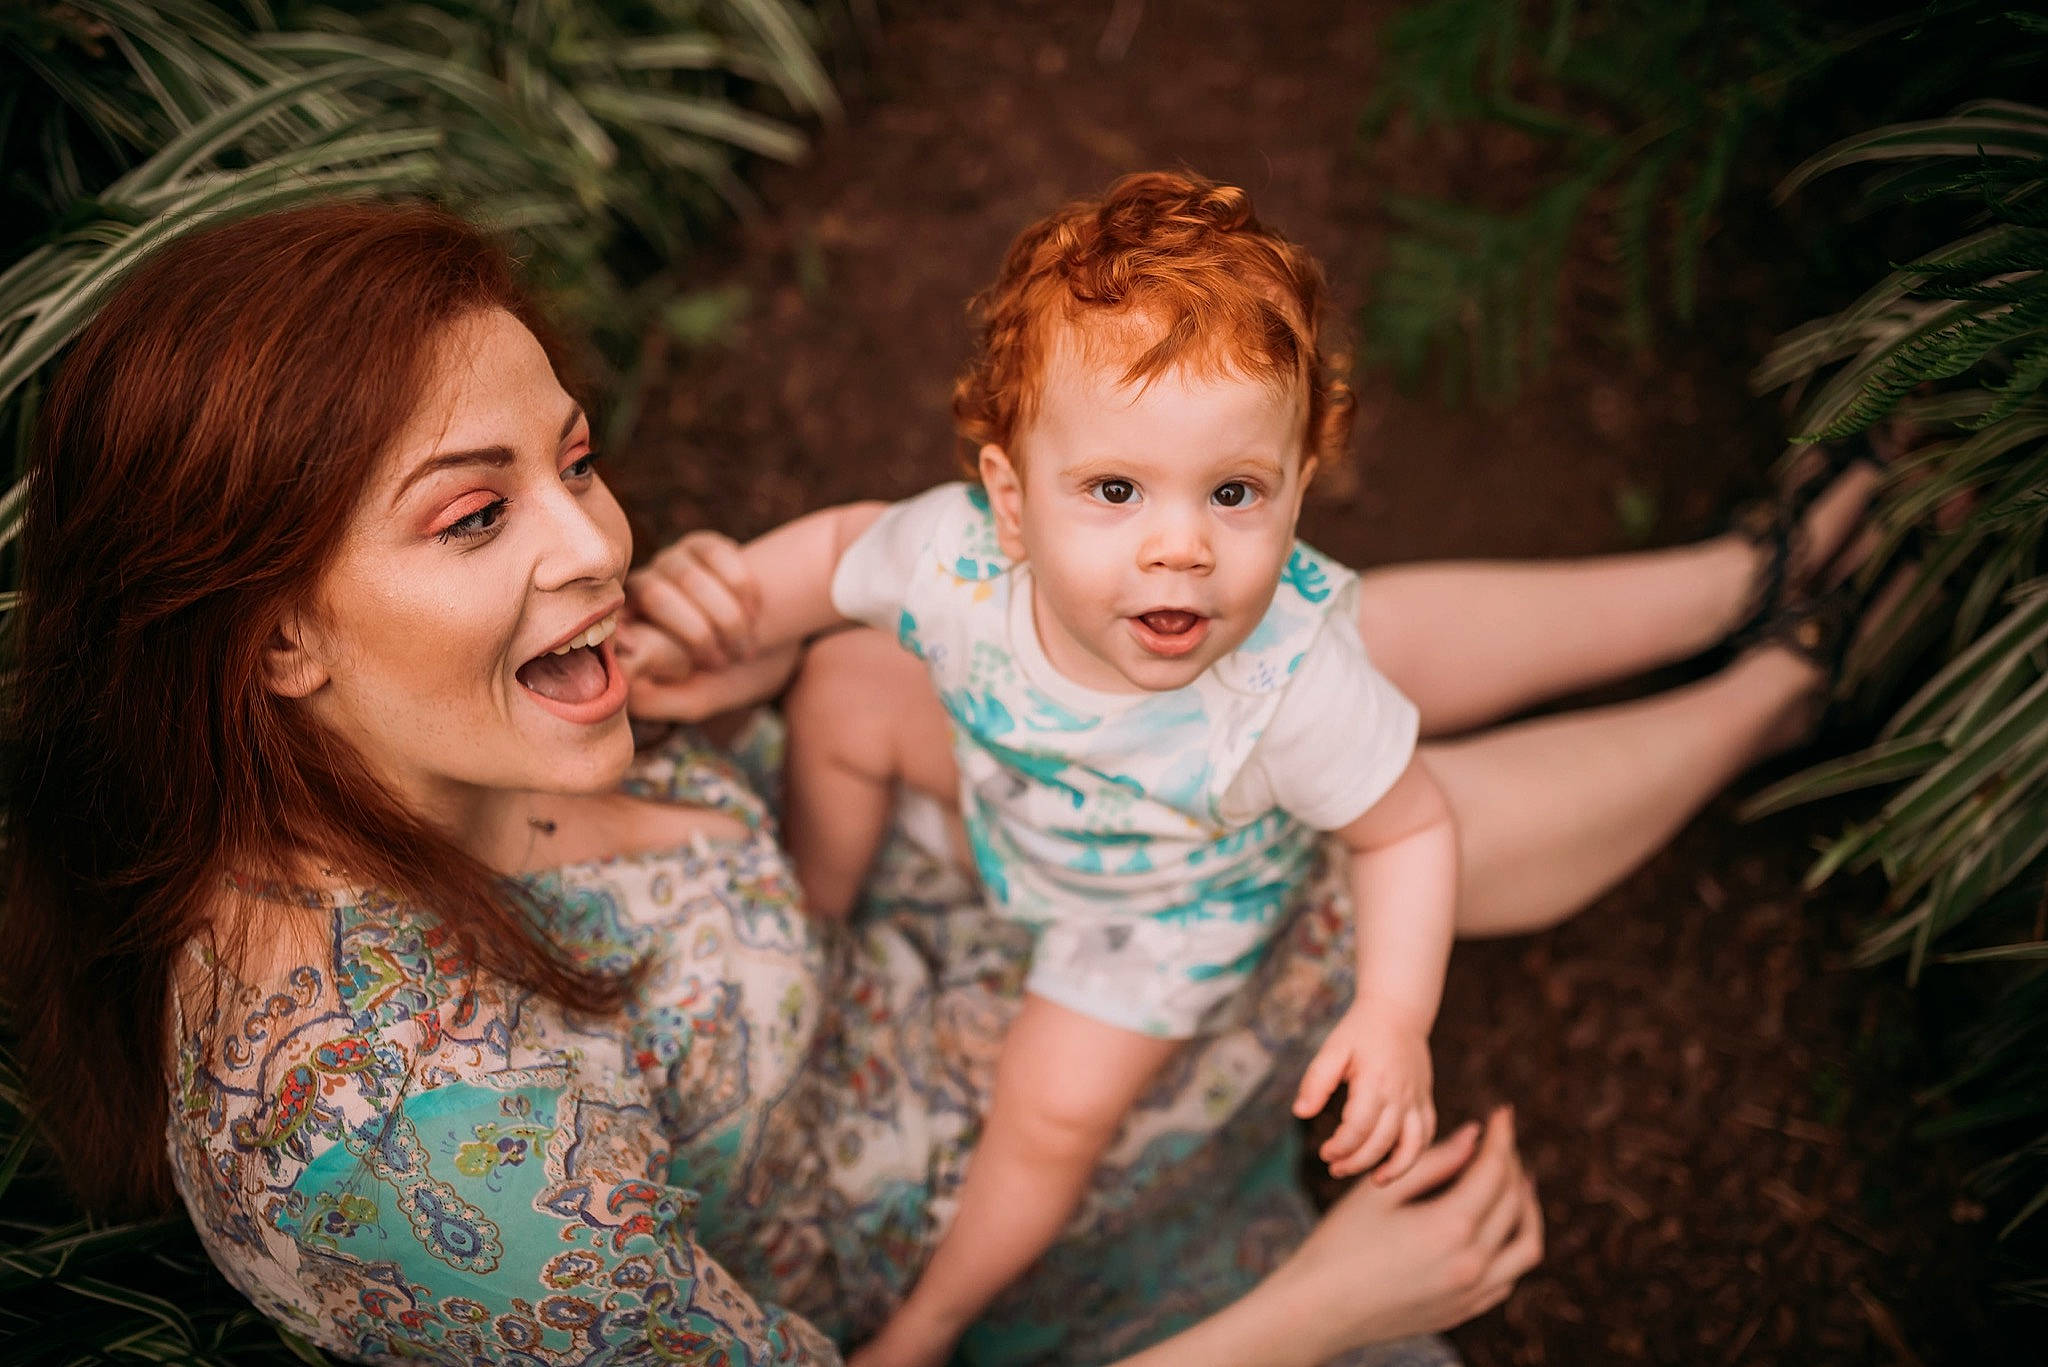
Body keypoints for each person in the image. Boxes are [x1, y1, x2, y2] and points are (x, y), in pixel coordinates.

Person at [0, 196, 1858, 1367]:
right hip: (975, 1161)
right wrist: (1316, 1314)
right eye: (477, 515)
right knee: (1326, 808)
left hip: (906, 938)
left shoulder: (400, 734)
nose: (595, 541)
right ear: (268, 637)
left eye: (574, 461)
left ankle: (1727, 576)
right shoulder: (417, 1165)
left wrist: (726, 671)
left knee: (1242, 634)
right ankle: (1786, 675)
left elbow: (779, 691)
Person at [625, 172, 1470, 1367]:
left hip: (1153, 907)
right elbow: (825, 556)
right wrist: (718, 624)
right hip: (1010, 791)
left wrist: (1393, 1012)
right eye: (1115, 490)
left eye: (1233, 493)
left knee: (1053, 1109)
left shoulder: (1289, 688)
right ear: (1011, 507)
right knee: (843, 682)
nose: (1177, 545)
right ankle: (817, 908)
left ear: (1294, 493)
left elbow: (1409, 828)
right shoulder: (957, 569)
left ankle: (929, 1321)